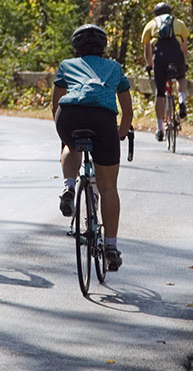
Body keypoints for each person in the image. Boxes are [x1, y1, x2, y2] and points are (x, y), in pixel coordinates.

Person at [52, 24, 133, 271]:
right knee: (108, 187)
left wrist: (64, 135)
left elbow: (55, 104)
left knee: (70, 145)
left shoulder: (67, 65)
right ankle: (110, 246)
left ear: (76, 47)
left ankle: (68, 186)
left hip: (69, 115)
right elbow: (127, 111)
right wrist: (118, 135)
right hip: (103, 120)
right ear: (103, 47)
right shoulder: (115, 68)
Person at [141, 2, 190, 141]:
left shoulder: (151, 24)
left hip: (160, 57)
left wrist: (149, 64)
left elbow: (147, 49)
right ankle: (181, 99)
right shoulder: (179, 23)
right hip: (176, 55)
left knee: (160, 93)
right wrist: (183, 63)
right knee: (181, 77)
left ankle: (159, 128)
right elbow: (184, 46)